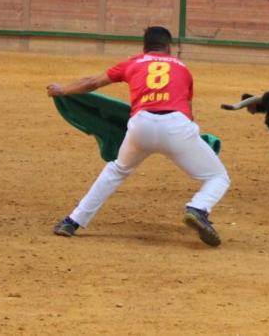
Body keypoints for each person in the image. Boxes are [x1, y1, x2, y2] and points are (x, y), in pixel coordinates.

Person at [48, 25, 230, 246]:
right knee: (217, 177)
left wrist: (63, 90)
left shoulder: (134, 62)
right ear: (169, 47)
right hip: (177, 126)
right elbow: (188, 112)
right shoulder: (183, 68)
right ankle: (198, 208)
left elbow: (91, 83)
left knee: (116, 170)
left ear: (144, 48)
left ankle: (72, 221)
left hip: (140, 125)